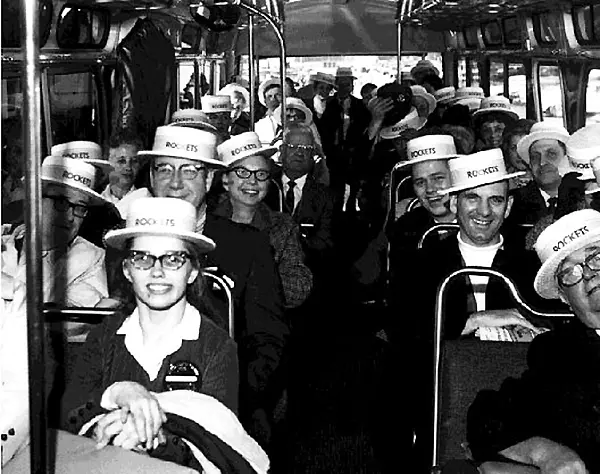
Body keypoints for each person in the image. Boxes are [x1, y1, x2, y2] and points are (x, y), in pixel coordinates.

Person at [107, 125, 288, 449]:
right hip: (131, 403)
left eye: (190, 171)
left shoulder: (247, 246)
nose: (175, 183)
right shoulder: (123, 245)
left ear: (209, 180)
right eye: (164, 169)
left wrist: (221, 399)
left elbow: (267, 342)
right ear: (151, 177)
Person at [60, 197, 269, 472]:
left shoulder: (216, 346)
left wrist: (149, 436)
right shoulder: (104, 336)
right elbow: (68, 415)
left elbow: (219, 437)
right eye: (142, 258)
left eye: (173, 259)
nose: (157, 272)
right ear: (127, 270)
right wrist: (118, 392)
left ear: (193, 271)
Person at [467, 209, 600, 473]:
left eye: (596, 258)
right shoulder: (559, 355)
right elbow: (487, 418)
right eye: (569, 273)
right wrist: (544, 452)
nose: (587, 274)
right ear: (564, 298)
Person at [215, 132, 313, 309]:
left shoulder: (282, 226)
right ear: (225, 180)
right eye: (243, 173)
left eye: (260, 174)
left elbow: (299, 288)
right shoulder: (206, 219)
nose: (252, 181)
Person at [2, 156, 109, 308]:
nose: (70, 217)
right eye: (61, 203)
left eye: (80, 208)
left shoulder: (89, 258)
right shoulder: (6, 242)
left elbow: (65, 319)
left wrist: (7, 285)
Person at [388, 134, 458, 259]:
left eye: (438, 178)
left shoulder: (484, 222)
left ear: (457, 177)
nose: (430, 189)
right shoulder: (405, 229)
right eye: (420, 182)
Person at [510, 122, 571, 224]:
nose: (542, 162)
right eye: (535, 157)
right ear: (529, 164)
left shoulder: (587, 201)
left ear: (567, 158)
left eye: (551, 154)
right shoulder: (513, 205)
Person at [102, 131, 144, 215]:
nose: (128, 167)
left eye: (134, 161)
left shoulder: (144, 202)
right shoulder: (96, 201)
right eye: (121, 161)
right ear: (107, 163)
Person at [255, 78, 283, 147]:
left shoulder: (290, 119)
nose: (273, 99)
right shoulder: (259, 125)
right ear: (265, 101)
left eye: (277, 95)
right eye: (270, 96)